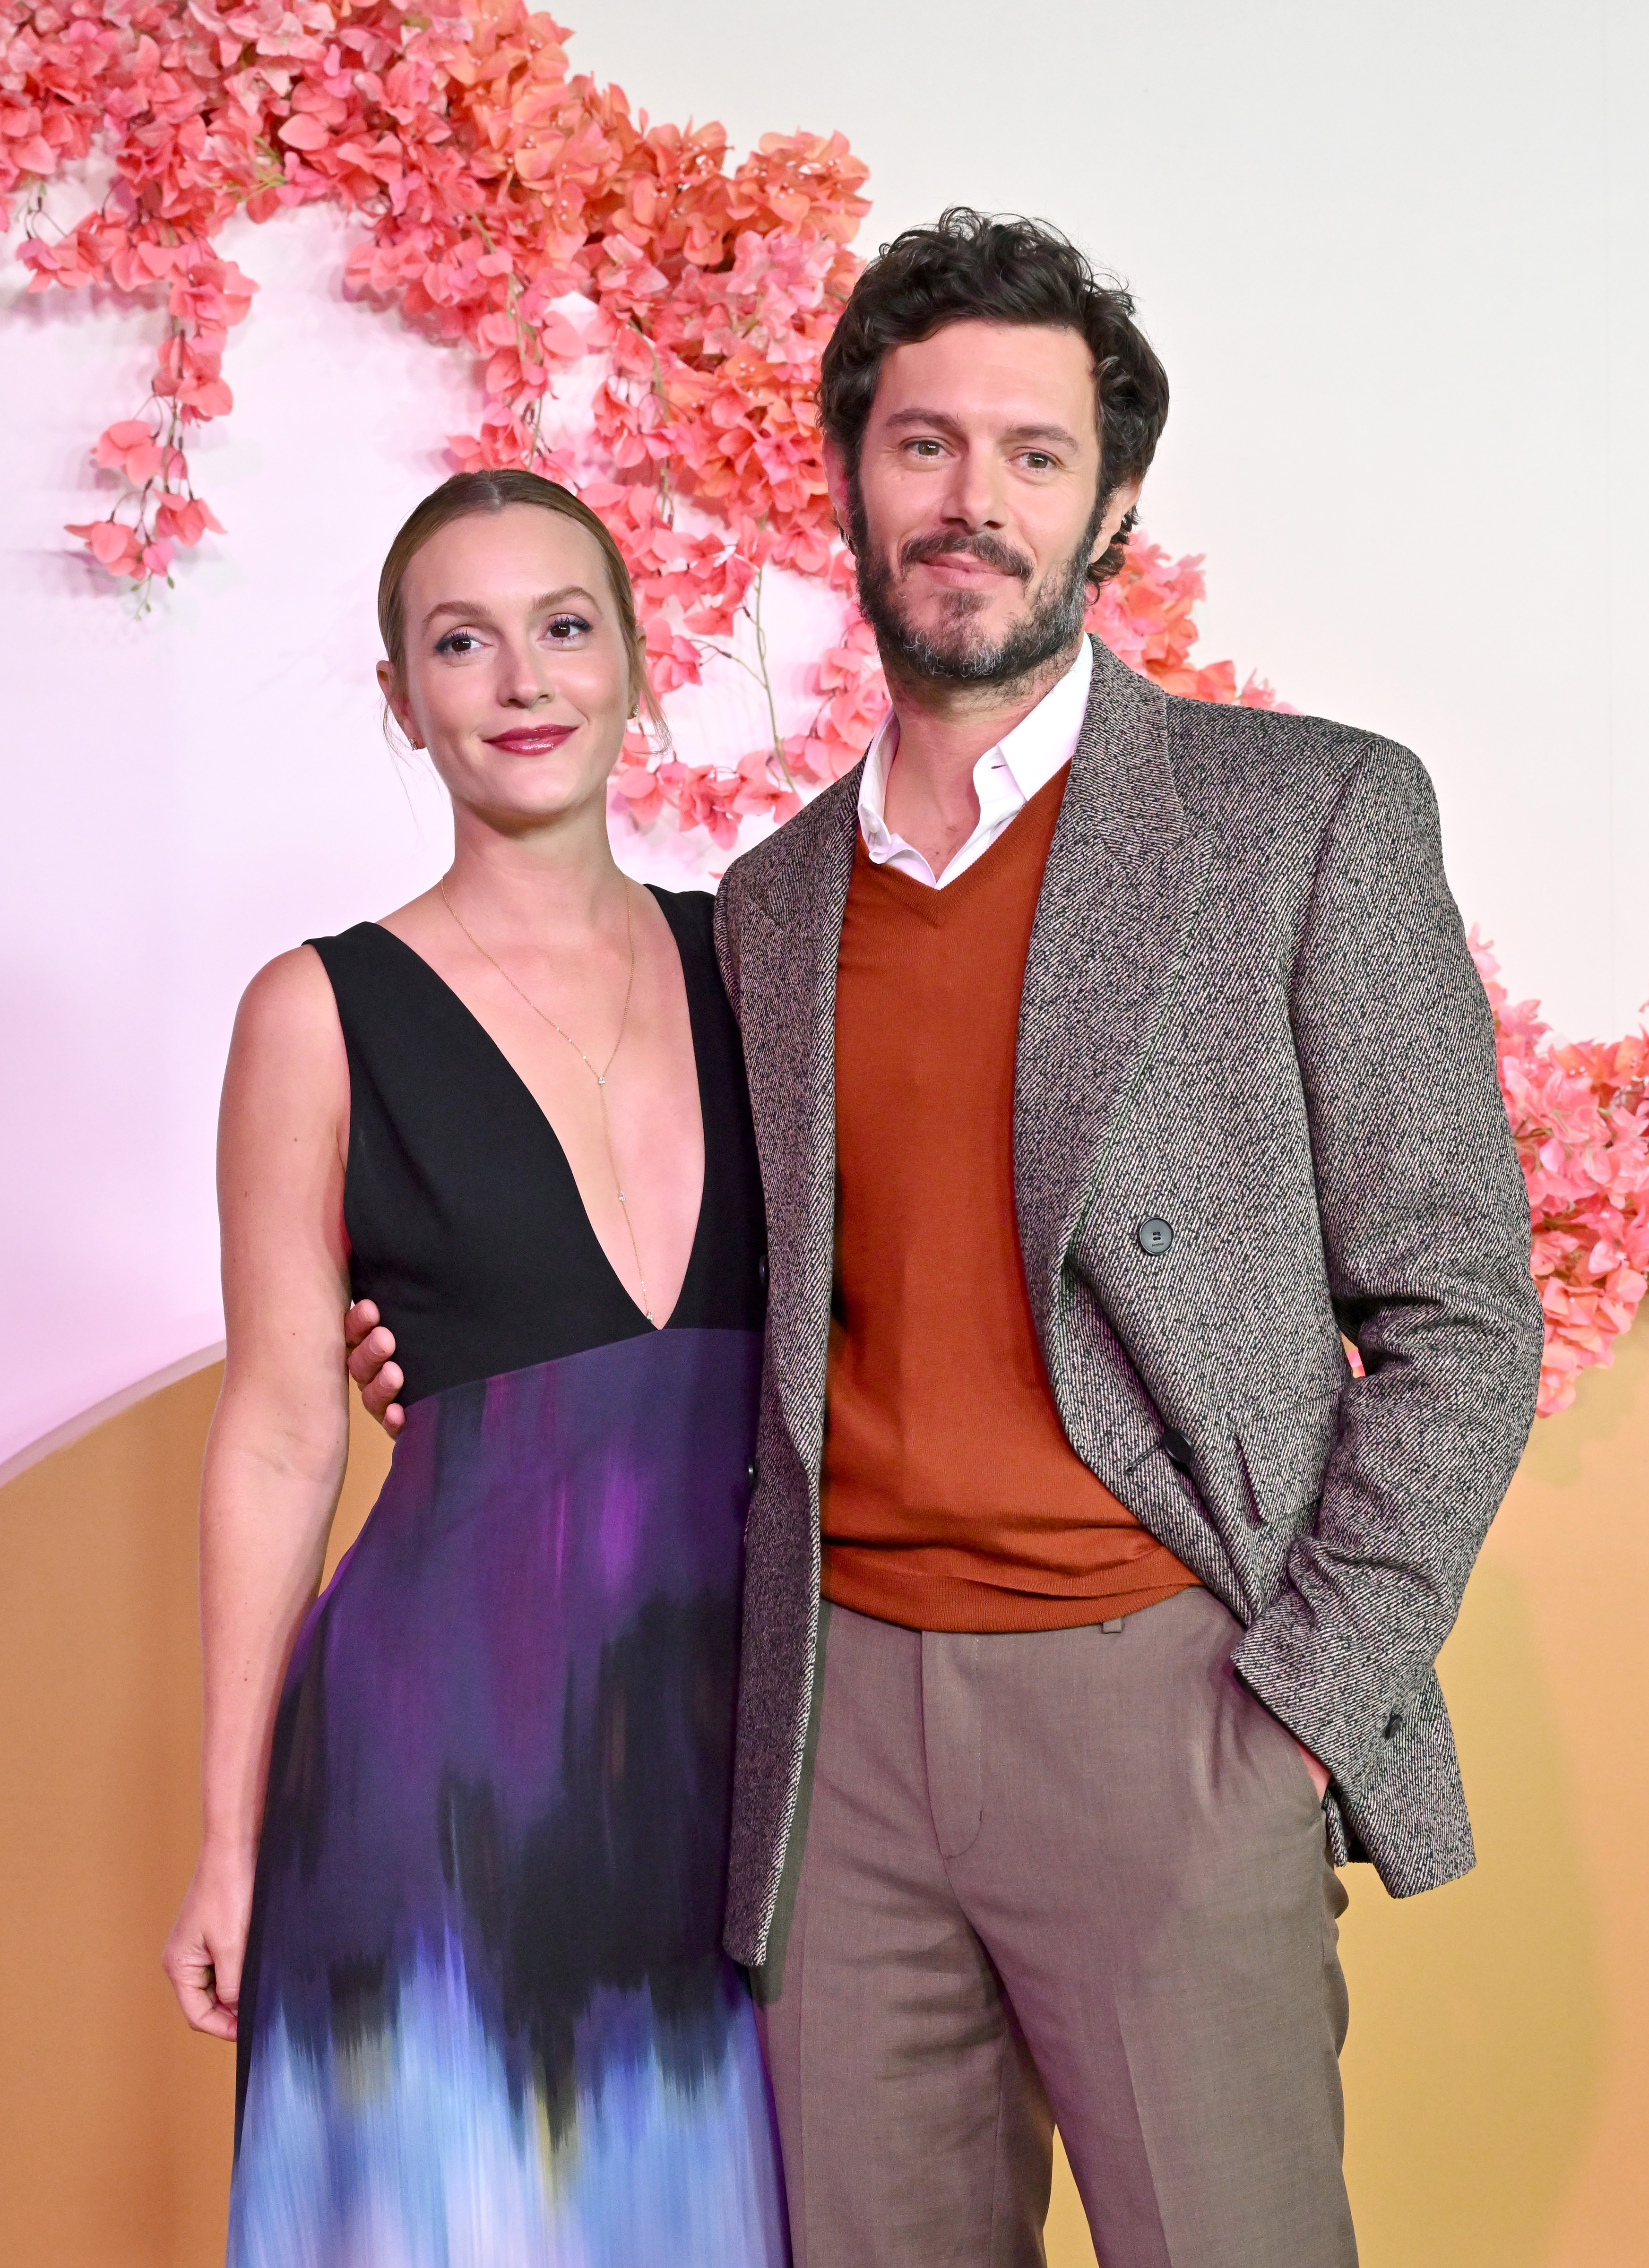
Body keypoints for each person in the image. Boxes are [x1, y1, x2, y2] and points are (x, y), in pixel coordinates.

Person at [351, 211, 1547, 2267]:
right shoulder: (776, 900)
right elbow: (717, 1264)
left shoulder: (1308, 817)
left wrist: (1289, 1712)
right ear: (849, 475)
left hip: (1166, 1705)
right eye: (923, 445)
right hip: (834, 1746)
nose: (971, 500)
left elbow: (1461, 1311)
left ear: (1115, 506)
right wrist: (454, 1344)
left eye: (1032, 453)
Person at [162, 471, 788, 2265]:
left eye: (565, 625)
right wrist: (226, 1834)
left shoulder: (766, 965)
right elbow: (282, 1430)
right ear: (401, 700)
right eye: (462, 640)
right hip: (430, 1777)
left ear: (641, 666)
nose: (522, 678)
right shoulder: (316, 1010)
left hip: (738, 1772)